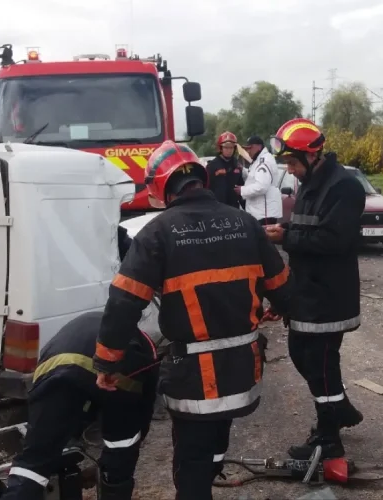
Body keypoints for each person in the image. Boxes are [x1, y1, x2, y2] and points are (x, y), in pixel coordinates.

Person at [93, 141, 292, 500]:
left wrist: (108, 361)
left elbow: (124, 302)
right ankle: (210, 472)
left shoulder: (157, 232)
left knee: (192, 464)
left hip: (194, 379)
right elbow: (280, 285)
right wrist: (279, 306)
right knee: (217, 437)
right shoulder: (245, 223)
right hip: (242, 369)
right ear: (200, 179)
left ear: (160, 187)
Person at [1, 228, 159, 500]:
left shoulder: (77, 329)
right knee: (121, 446)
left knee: (33, 463)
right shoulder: (144, 345)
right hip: (119, 375)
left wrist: (56, 431)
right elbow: (142, 410)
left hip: (57, 370)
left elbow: (46, 395)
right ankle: (114, 489)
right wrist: (128, 440)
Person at [263, 118, 365, 460]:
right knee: (300, 354)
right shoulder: (310, 182)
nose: (290, 171)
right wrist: (286, 229)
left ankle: (328, 437)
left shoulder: (345, 187)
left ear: (312, 156)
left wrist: (286, 236)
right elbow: (309, 227)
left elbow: (335, 240)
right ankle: (341, 408)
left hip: (329, 296)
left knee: (319, 362)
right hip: (305, 291)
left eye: (292, 163)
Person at [239, 135, 284, 323]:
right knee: (261, 257)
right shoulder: (258, 160)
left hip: (264, 213)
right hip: (258, 212)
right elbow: (253, 179)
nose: (248, 151)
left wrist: (240, 191)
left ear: (258, 146)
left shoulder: (265, 160)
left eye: (249, 148)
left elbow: (261, 186)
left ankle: (275, 301)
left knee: (266, 258)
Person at [205, 131, 245, 209]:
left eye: (231, 147)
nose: (229, 150)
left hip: (234, 208)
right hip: (217, 208)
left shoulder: (237, 165)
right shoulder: (212, 166)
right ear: (220, 148)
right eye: (226, 147)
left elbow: (241, 187)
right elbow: (206, 188)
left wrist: (245, 207)